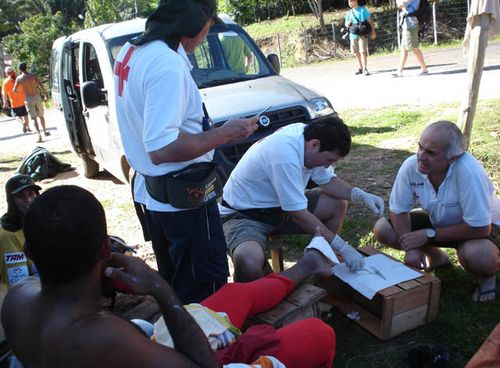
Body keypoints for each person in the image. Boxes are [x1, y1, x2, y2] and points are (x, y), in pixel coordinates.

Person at [1, 185, 336, 368]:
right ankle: (308, 266)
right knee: (319, 333)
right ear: (106, 249)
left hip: (147, 352)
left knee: (234, 295)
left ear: (29, 250)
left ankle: (306, 266)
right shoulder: (101, 336)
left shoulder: (18, 298)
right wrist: (159, 289)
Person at [113, 0, 259, 304]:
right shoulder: (166, 64)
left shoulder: (132, 50)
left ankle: (185, 341)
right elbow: (162, 148)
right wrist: (223, 134)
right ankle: (209, 347)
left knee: (177, 282)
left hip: (156, 196)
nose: (207, 34)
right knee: (205, 287)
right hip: (183, 200)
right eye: (208, 26)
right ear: (193, 25)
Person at [220, 115, 385, 282]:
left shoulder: (308, 139)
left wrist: (358, 194)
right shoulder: (284, 152)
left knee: (336, 203)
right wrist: (342, 246)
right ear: (314, 145)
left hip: (279, 208)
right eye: (329, 160)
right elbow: (298, 214)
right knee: (248, 262)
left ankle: (322, 258)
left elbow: (327, 181)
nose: (327, 166)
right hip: (244, 215)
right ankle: (257, 297)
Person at [373, 121, 499, 302]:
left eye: (431, 153)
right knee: (383, 228)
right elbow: (398, 211)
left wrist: (428, 234)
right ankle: (437, 258)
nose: (421, 156)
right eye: (420, 147)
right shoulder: (411, 166)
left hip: (481, 229)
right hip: (440, 222)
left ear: (452, 158)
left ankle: (487, 279)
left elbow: (481, 228)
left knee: (479, 256)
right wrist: (411, 247)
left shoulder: (468, 172)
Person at [0, 174, 40, 288]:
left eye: (31, 194)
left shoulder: (40, 220)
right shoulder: (8, 233)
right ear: (11, 201)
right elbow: (18, 284)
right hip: (32, 285)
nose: (28, 200)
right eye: (20, 196)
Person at [13, 63, 50, 143]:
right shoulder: (33, 75)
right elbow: (41, 85)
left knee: (34, 118)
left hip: (28, 99)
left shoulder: (19, 78)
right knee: (41, 116)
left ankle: (39, 135)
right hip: (36, 96)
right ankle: (45, 131)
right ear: (26, 68)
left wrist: (21, 91)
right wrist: (45, 95)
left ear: (20, 69)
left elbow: (14, 90)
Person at [392, 0, 428, 77]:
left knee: (414, 48)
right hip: (406, 23)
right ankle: (399, 71)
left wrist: (400, 3)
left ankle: (424, 69)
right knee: (404, 49)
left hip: (411, 24)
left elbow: (400, 3)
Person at [344, 0, 377, 76]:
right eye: (349, 1)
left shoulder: (363, 10)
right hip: (353, 35)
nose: (350, 3)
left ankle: (365, 68)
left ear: (356, 1)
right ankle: (361, 68)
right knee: (356, 52)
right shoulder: (348, 13)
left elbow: (369, 21)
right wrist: (348, 24)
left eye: (351, 1)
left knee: (363, 51)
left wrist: (373, 31)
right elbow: (346, 24)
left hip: (362, 34)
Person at [2, 67, 31, 134]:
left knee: (16, 115)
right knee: (25, 114)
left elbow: (4, 94)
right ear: (13, 71)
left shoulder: (5, 82)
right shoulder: (18, 79)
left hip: (14, 102)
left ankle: (23, 123)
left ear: (6, 73)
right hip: (23, 100)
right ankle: (28, 128)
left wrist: (5, 103)